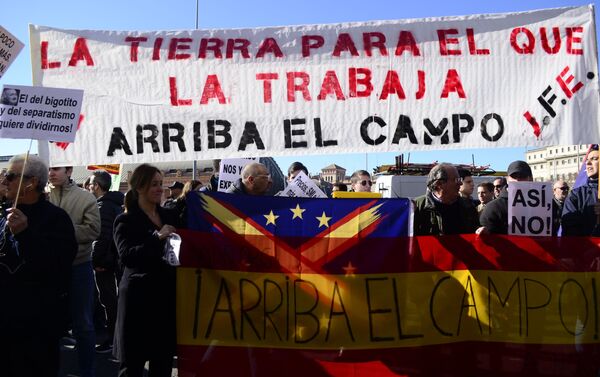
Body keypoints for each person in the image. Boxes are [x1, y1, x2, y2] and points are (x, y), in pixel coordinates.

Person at [0, 155, 77, 377]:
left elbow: (57, 266)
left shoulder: (56, 219)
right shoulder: (3, 214)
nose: (5, 179)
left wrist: (25, 235)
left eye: (11, 175)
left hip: (36, 329)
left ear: (31, 183)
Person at [113, 164, 179, 376]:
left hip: (164, 298)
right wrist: (156, 238)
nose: (160, 188)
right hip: (137, 300)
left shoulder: (169, 215)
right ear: (139, 187)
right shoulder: (125, 220)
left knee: (162, 363)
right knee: (132, 364)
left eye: (161, 184)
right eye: (154, 185)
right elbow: (127, 256)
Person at [48, 165, 100, 377]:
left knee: (83, 324)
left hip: (79, 266)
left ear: (69, 171)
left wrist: (61, 229)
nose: (52, 172)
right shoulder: (38, 196)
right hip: (48, 268)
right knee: (50, 323)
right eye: (49, 168)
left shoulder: (85, 198)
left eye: (57, 168)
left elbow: (93, 230)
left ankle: (86, 371)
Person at [88, 170, 124, 353]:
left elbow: (101, 237)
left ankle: (113, 341)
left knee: (108, 302)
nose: (88, 186)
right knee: (112, 301)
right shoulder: (114, 204)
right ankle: (116, 339)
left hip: (105, 262)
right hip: (112, 260)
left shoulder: (103, 207)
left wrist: (96, 260)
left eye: (91, 183)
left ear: (97, 186)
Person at [413, 163, 479, 235]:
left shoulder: (468, 205)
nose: (460, 183)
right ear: (439, 184)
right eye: (456, 179)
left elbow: (474, 230)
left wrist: (479, 230)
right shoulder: (417, 207)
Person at [479, 161, 533, 235]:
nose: (517, 180)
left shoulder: (547, 205)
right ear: (507, 180)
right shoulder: (493, 208)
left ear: (530, 179)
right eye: (513, 176)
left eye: (522, 176)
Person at [562, 145, 600, 236]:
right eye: (587, 160)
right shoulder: (576, 195)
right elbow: (569, 228)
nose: (588, 163)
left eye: (594, 159)